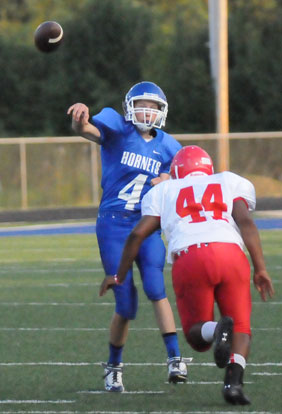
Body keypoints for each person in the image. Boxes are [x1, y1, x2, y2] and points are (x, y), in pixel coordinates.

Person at [100, 145, 274, 405]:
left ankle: (216, 330)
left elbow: (137, 234)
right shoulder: (228, 181)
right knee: (241, 327)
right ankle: (233, 384)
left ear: (176, 172)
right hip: (231, 254)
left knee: (196, 336)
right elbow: (245, 222)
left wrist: (119, 274)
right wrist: (260, 268)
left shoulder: (164, 190)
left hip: (191, 257)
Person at [67, 81, 190, 392]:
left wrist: (168, 178)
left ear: (161, 111)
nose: (146, 111)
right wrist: (80, 119)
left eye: (152, 106)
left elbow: (189, 179)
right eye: (141, 105)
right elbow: (87, 131)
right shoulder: (117, 128)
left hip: (146, 224)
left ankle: (175, 359)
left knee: (155, 285)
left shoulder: (170, 147)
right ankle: (113, 367)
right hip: (112, 224)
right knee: (126, 302)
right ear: (129, 107)